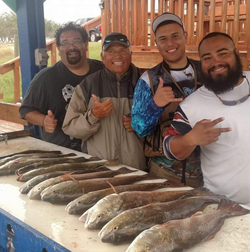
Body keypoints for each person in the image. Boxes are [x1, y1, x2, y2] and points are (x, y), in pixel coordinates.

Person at [163, 32, 250, 206]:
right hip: (224, 208)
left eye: (223, 53)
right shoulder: (192, 105)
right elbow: (168, 148)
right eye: (207, 57)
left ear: (236, 54)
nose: (216, 62)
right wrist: (190, 139)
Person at [131, 12, 202, 184]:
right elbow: (138, 128)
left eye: (175, 36)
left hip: (207, 171)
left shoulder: (206, 71)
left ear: (185, 36)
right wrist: (155, 105)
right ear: (156, 43)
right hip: (164, 172)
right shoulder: (148, 79)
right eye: (163, 39)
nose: (170, 43)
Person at [62, 32, 146, 170]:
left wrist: (139, 124)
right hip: (98, 170)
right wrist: (93, 116)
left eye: (123, 50)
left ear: (131, 54)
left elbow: (158, 126)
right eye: (111, 51)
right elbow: (70, 127)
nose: (117, 55)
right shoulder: (88, 85)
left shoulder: (144, 83)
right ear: (103, 57)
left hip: (136, 169)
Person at [19, 22, 104, 151]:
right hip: (62, 153)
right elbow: (25, 110)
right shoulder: (45, 78)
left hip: (99, 150)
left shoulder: (103, 71)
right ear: (58, 48)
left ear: (86, 44)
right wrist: (43, 120)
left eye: (76, 41)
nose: (71, 47)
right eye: (65, 43)